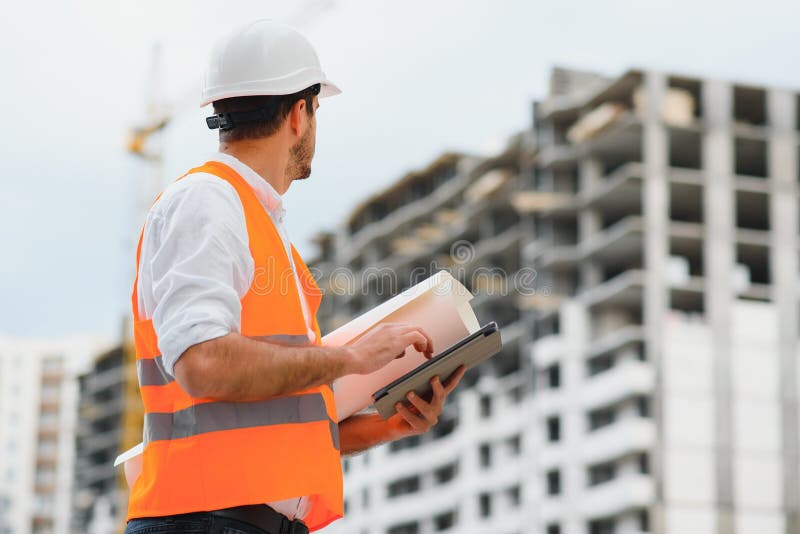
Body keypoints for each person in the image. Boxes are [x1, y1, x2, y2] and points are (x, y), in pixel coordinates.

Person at [124, 19, 465, 534]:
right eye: (316, 109)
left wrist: (387, 425)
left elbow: (270, 424)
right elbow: (202, 361)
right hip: (206, 522)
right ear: (299, 114)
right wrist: (351, 358)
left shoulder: (258, 224)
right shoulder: (207, 202)